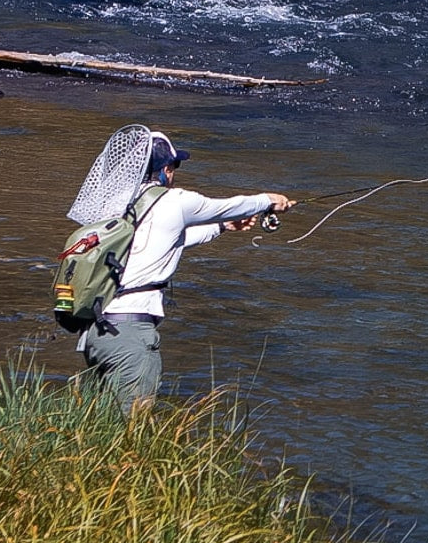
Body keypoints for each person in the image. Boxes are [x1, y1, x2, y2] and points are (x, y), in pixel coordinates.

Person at [78, 129, 294, 415]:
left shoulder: (115, 206)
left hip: (95, 333)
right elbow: (227, 207)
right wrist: (268, 200)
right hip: (130, 336)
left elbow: (164, 242)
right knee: (130, 434)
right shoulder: (175, 201)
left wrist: (221, 228)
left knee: (97, 427)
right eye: (174, 166)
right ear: (165, 169)